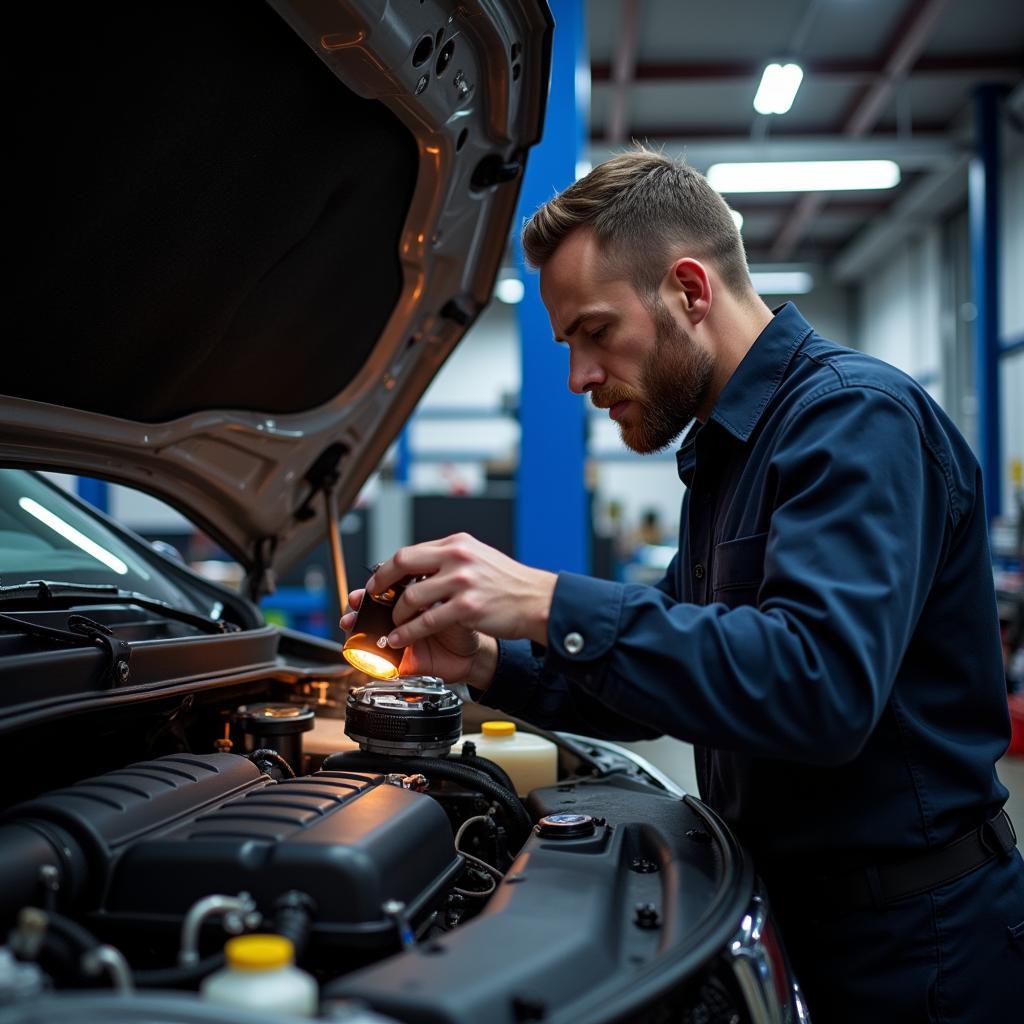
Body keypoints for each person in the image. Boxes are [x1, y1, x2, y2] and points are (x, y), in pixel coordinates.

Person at [342, 150, 1024, 1021]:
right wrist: (481, 659)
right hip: (803, 918)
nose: (578, 378)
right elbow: (668, 677)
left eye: (595, 331)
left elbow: (819, 688)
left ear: (690, 292)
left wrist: (549, 600)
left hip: (922, 951)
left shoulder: (856, 419)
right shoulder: (725, 456)